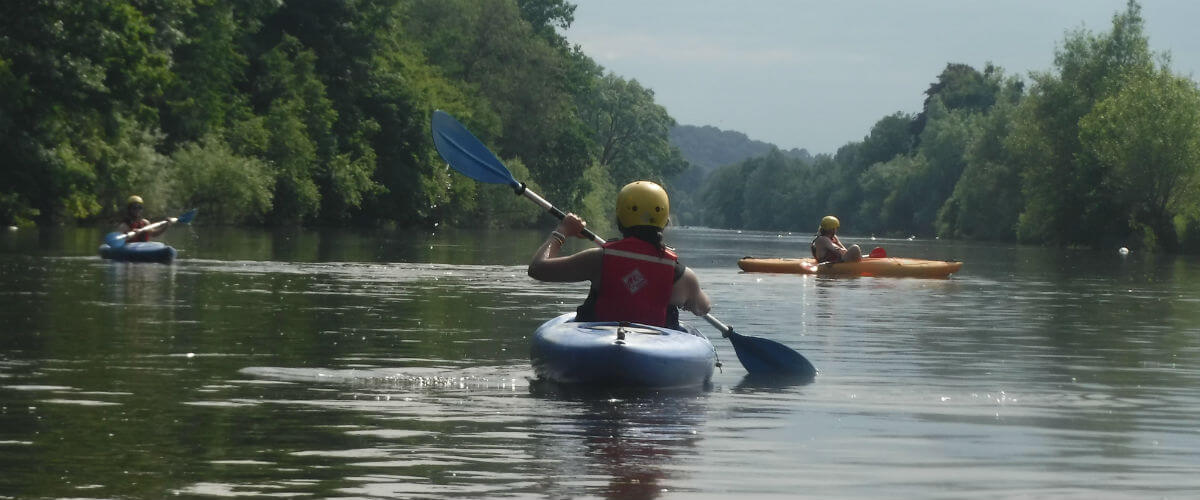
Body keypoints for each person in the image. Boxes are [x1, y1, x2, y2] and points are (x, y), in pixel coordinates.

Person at [528, 181, 711, 330]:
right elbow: (703, 308)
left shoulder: (598, 259)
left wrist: (563, 231)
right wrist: (688, 298)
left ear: (619, 218)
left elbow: (537, 268)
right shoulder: (682, 276)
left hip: (596, 346)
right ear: (665, 221)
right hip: (654, 355)